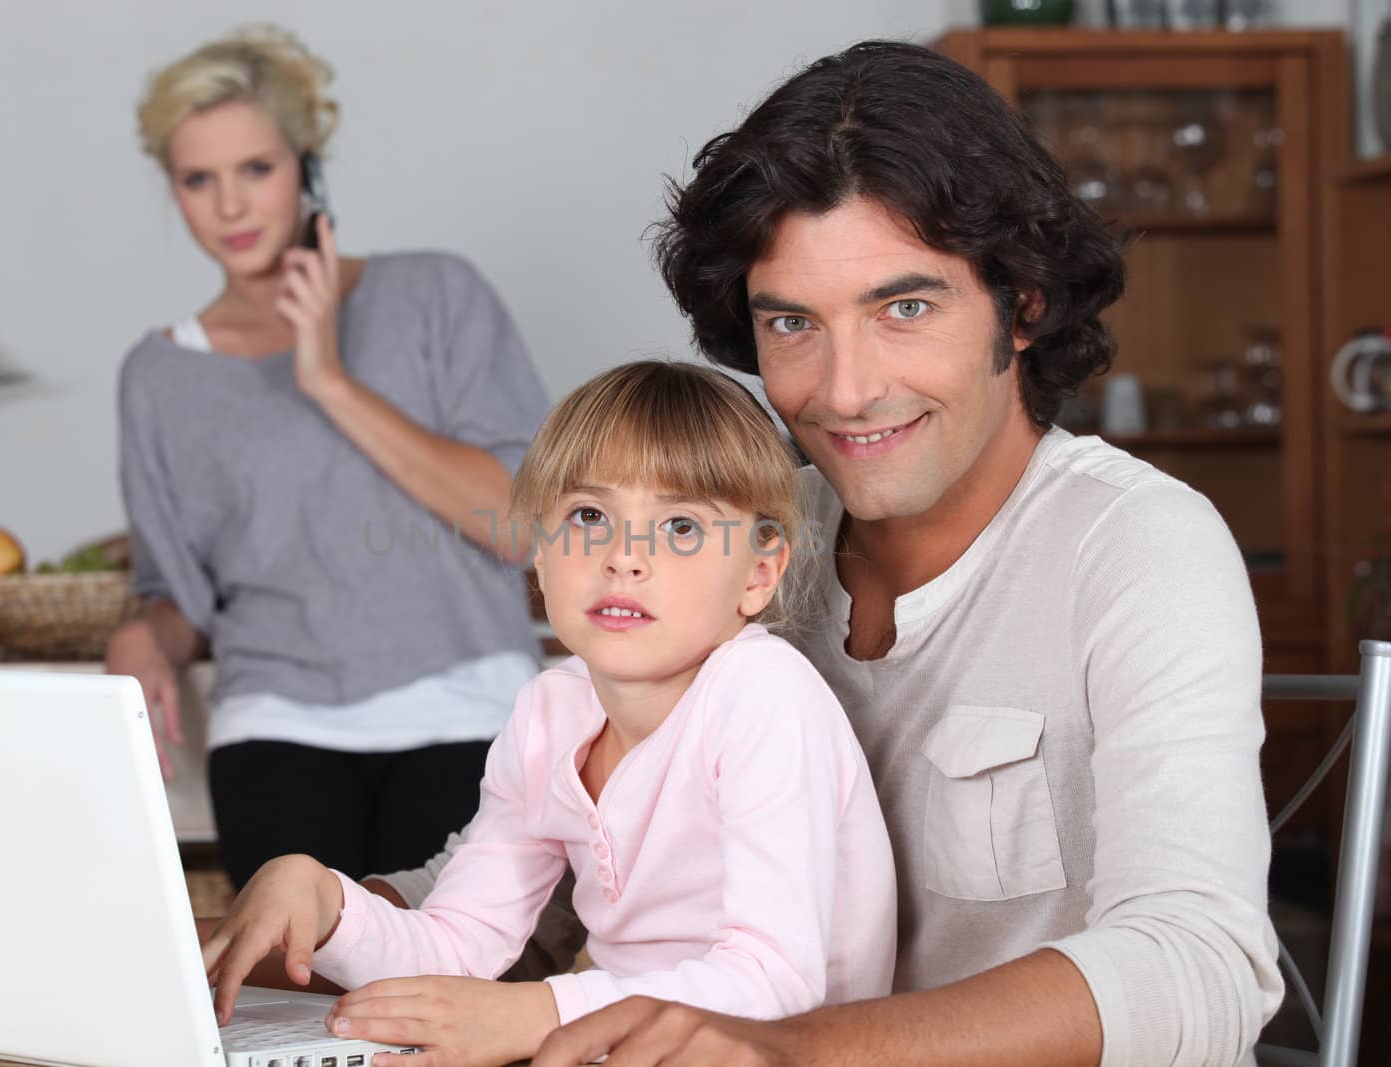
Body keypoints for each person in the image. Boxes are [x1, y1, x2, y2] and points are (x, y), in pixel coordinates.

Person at [342, 41, 1282, 1067]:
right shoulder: (739, 541)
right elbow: (561, 861)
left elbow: (1201, 961)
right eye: (791, 322)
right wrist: (334, 920)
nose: (842, 389)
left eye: (904, 307)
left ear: (1021, 304)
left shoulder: (1139, 548)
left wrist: (786, 1044)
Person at [199, 361, 897, 1064]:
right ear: (539, 551)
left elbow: (774, 980)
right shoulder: (548, 712)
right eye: (589, 515)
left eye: (681, 525)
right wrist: (325, 905)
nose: (625, 557)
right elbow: (459, 946)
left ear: (758, 572)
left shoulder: (764, 693)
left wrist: (543, 1010)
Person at [110, 23, 550, 888]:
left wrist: (329, 379)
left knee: (439, 994)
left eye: (256, 170)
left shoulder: (436, 294)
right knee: (296, 998)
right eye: (199, 179)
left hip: (468, 706)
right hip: (275, 719)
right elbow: (183, 598)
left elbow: (521, 523)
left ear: (307, 167)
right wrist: (140, 631)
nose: (230, 207)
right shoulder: (158, 375)